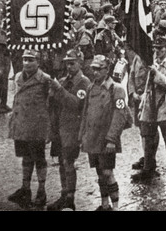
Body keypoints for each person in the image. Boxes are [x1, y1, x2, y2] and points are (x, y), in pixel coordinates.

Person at [79, 55, 132, 211]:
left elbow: (120, 116)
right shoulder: (90, 88)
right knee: (99, 173)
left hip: (106, 139)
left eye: (98, 69)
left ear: (107, 70)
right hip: (93, 138)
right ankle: (104, 204)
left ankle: (115, 206)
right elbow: (85, 113)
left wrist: (111, 139)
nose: (95, 72)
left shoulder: (116, 89)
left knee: (108, 172)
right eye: (93, 69)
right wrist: (82, 136)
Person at [46, 49, 91, 211]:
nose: (69, 67)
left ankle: (70, 198)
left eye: (72, 63)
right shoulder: (64, 80)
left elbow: (75, 104)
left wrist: (59, 89)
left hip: (72, 129)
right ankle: (64, 194)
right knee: (61, 162)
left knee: (68, 162)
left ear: (80, 63)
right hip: (59, 127)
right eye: (67, 64)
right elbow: (53, 105)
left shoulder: (84, 83)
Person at [133, 37, 166, 187]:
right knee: (148, 138)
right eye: (155, 48)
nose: (157, 51)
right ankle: (148, 167)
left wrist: (156, 74)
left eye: (160, 49)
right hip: (149, 105)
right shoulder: (151, 61)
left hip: (165, 106)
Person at [7, 50, 51, 208]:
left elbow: (50, 104)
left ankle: (41, 190)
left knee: (39, 159)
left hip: (36, 127)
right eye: (25, 59)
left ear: (38, 62)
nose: (26, 63)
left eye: (31, 60)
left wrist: (49, 129)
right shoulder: (18, 76)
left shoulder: (44, 79)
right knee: (25, 157)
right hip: (21, 125)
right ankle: (25, 189)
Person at [0, 22, 11, 113]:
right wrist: (0, 68)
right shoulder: (1, 37)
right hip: (2, 65)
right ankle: (0, 105)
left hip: (4, 64)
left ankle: (1, 104)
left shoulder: (2, 36)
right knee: (1, 85)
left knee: (2, 84)